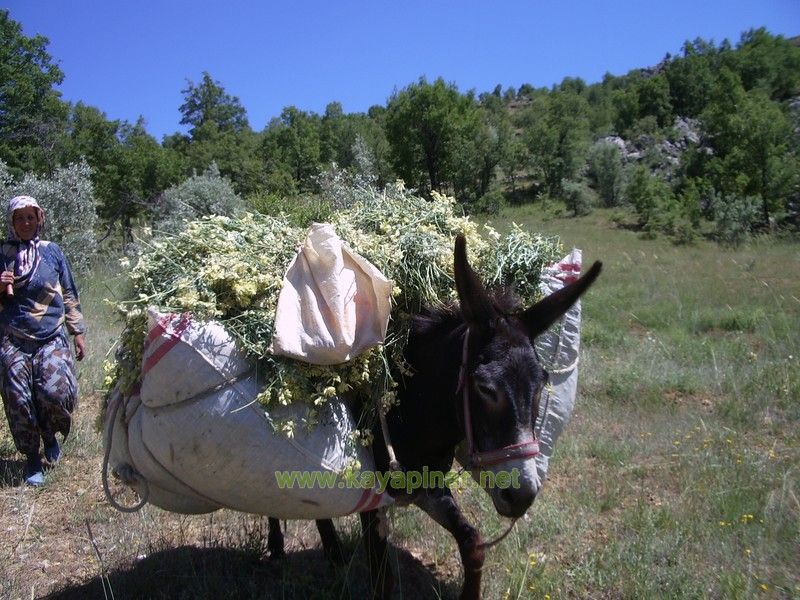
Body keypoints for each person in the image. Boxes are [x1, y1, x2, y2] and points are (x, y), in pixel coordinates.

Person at [0, 195, 86, 487]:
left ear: (39, 219)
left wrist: (78, 333)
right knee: (18, 399)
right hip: (12, 337)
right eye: (19, 218)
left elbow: (70, 293)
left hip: (51, 335)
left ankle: (49, 435)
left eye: (30, 217)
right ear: (11, 222)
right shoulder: (2, 253)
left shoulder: (53, 252)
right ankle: (32, 457)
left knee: (55, 393)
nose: (25, 223)